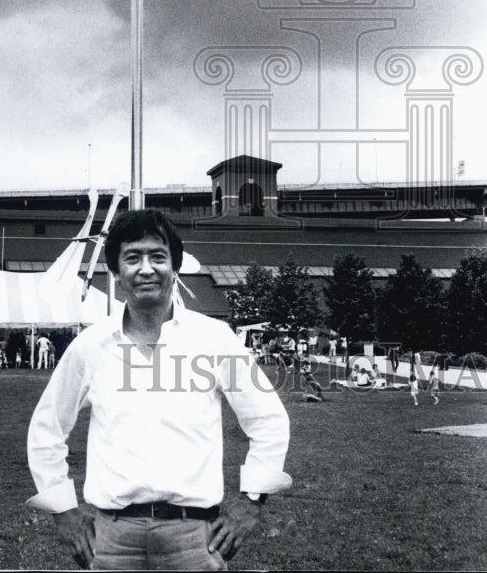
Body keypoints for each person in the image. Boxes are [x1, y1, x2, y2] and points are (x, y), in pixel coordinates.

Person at [27, 209, 292, 571]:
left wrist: (251, 503)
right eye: (132, 257)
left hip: (194, 540)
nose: (146, 268)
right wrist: (64, 511)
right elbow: (47, 428)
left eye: (158, 256)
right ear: (117, 273)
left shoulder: (213, 339)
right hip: (111, 541)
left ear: (175, 267)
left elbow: (268, 421)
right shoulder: (91, 346)